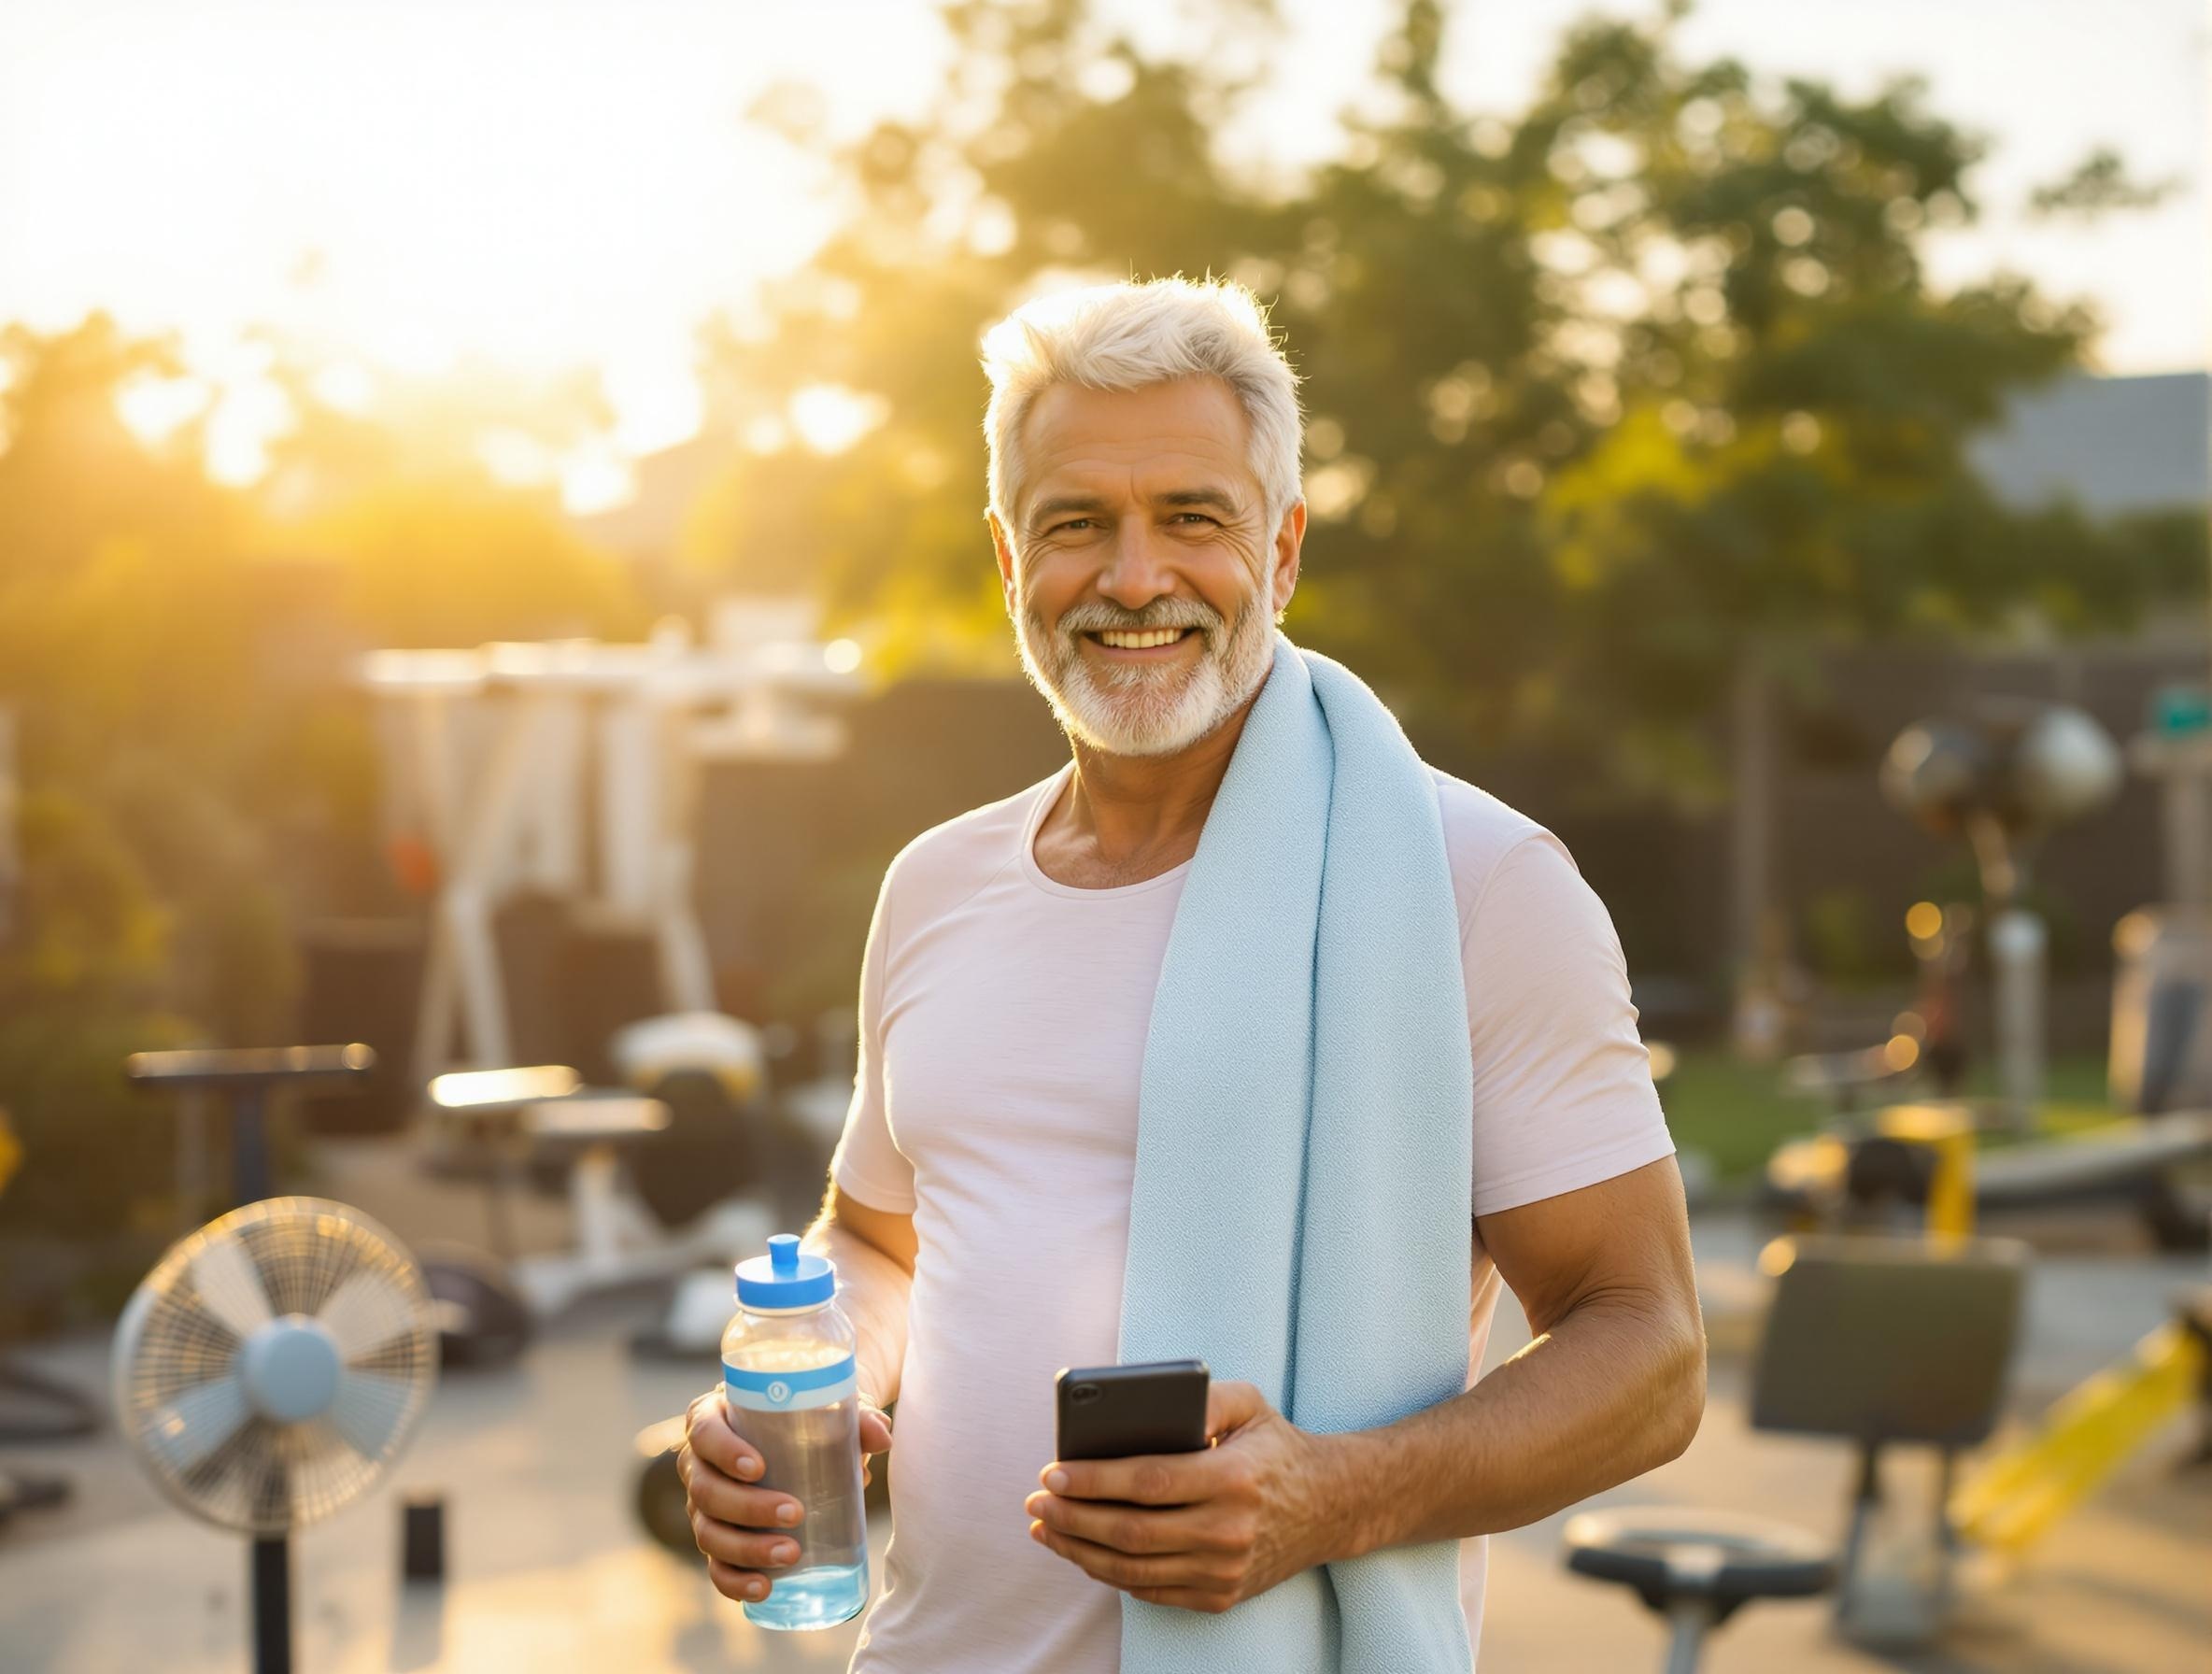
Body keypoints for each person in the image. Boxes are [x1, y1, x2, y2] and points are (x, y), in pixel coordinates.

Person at [680, 276, 1705, 1671]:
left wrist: (1331, 1501)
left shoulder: (1475, 882)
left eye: (1194, 518)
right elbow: (879, 1245)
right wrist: (804, 1393)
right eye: (1076, 525)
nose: (1135, 578)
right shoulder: (933, 887)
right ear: (1006, 557)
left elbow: (1648, 1353)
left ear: (1281, 552)